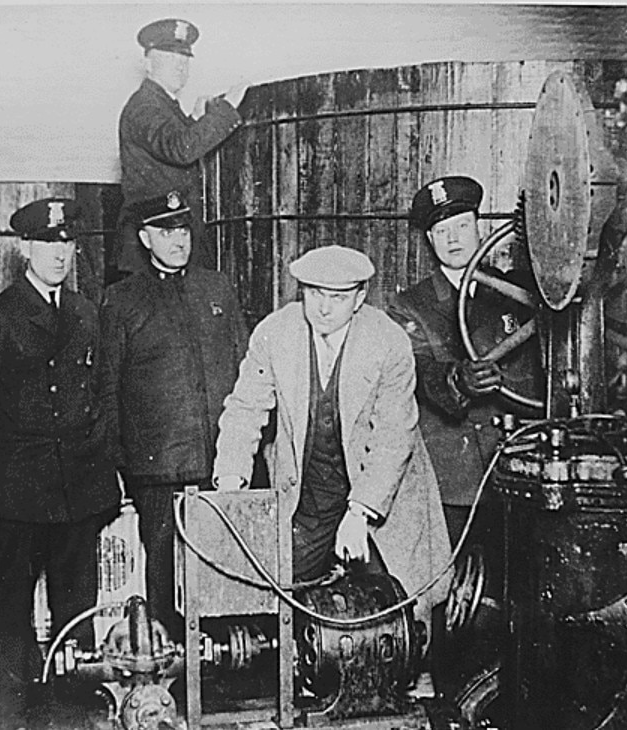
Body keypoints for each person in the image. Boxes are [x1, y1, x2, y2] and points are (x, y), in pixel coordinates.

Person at [212, 245, 452, 628]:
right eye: (314, 293)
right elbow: (245, 409)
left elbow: (393, 437)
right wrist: (230, 480)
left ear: (359, 298)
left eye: (337, 297)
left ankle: (415, 679)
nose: (324, 308)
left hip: (380, 488)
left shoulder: (388, 342)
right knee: (285, 600)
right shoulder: (275, 334)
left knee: (398, 610)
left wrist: (360, 512)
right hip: (309, 492)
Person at [0, 198, 119, 728]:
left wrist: (88, 456)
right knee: (10, 620)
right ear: (26, 248)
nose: (59, 253)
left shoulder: (84, 313)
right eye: (48, 243)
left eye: (67, 243)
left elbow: (100, 393)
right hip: (15, 495)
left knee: (78, 613)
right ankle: (10, 715)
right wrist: (23, 457)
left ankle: (74, 712)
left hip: (77, 490)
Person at [100, 190, 249, 641]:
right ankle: (172, 668)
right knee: (163, 574)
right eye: (165, 231)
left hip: (220, 464)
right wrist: (119, 465)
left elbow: (247, 365)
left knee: (225, 567)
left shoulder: (216, 287)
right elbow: (108, 388)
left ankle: (224, 666)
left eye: (182, 230)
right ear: (145, 238)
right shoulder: (122, 300)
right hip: (158, 468)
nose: (177, 240)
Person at [387, 176, 543, 570]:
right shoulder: (409, 306)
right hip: (449, 482)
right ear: (429, 240)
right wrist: (457, 380)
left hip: (515, 470)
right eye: (441, 231)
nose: (453, 239)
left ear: (480, 228)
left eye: (462, 226)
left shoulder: (521, 293)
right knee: (448, 589)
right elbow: (418, 368)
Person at [116, 17, 247, 273]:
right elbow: (180, 149)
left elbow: (165, 145)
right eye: (170, 59)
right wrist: (227, 110)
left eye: (184, 60)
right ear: (148, 64)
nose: (180, 68)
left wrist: (193, 120)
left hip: (169, 236)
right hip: (151, 242)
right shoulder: (144, 106)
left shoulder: (161, 104)